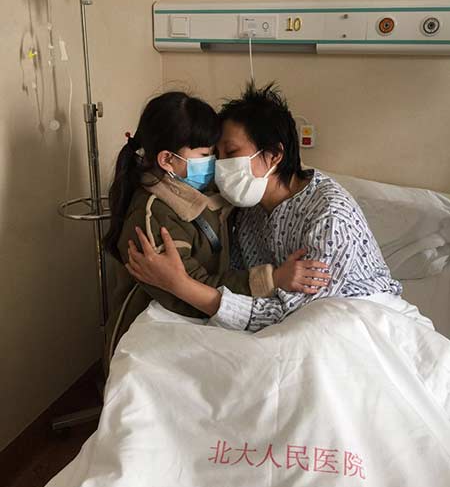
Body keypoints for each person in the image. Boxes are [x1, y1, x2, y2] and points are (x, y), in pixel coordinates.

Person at [126, 83, 402, 332]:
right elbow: (236, 276)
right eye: (215, 155)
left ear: (273, 155)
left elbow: (293, 316)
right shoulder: (247, 205)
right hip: (279, 315)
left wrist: (181, 285)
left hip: (353, 318)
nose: (219, 166)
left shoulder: (330, 217)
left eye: (231, 153)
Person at [103, 90, 330, 371]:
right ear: (167, 160)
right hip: (159, 323)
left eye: (220, 154)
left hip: (197, 315)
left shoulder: (199, 191)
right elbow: (187, 290)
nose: (215, 164)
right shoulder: (152, 215)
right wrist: (271, 279)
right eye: (206, 155)